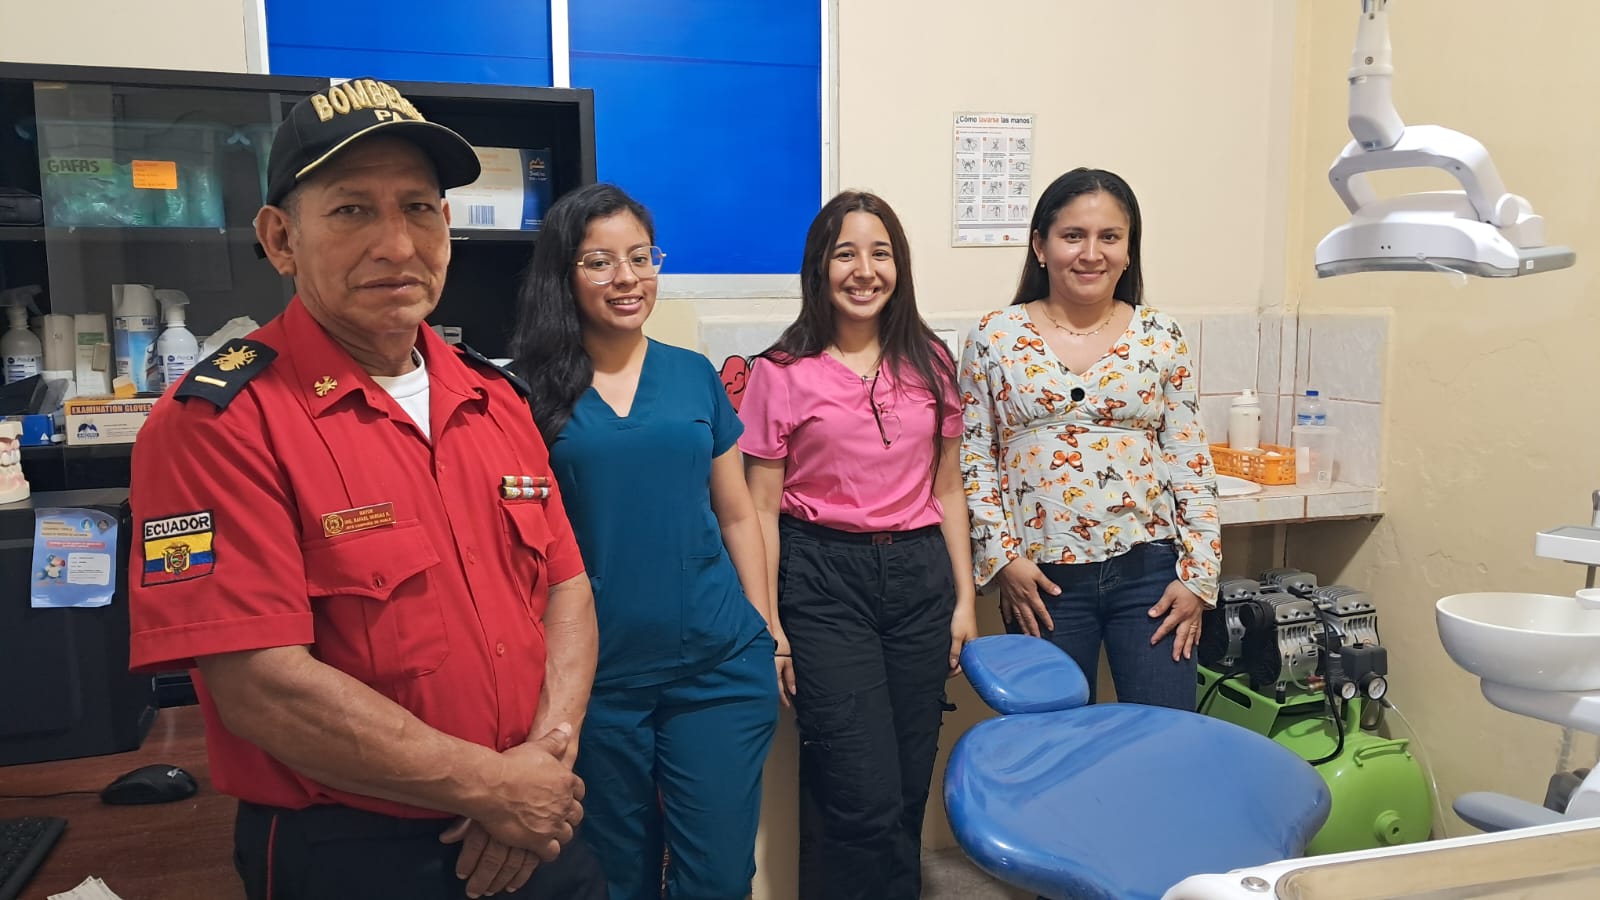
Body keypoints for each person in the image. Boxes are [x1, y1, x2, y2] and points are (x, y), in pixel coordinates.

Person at [126, 80, 606, 900]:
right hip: (357, 850)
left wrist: (543, 760)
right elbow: (261, 686)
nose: (396, 244)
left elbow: (566, 588)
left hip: (536, 815)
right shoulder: (217, 424)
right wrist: (491, 787)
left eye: (418, 208)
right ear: (280, 239)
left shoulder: (494, 398)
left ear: (446, 225)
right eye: (352, 210)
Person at [508, 183, 782, 900]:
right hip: (594, 684)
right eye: (600, 262)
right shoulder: (524, 393)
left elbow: (736, 512)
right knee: (615, 879)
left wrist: (764, 627)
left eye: (640, 257)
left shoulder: (692, 375)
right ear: (564, 274)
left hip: (717, 667)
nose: (627, 278)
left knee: (718, 878)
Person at [740, 190, 977, 900]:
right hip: (823, 581)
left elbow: (949, 488)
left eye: (881, 254)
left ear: (899, 267)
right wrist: (770, 625)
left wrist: (965, 600)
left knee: (904, 790)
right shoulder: (781, 371)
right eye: (846, 254)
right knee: (858, 793)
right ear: (820, 266)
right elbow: (759, 509)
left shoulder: (931, 362)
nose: (864, 271)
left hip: (919, 579)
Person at [959, 167, 1220, 711]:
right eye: (1073, 236)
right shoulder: (994, 336)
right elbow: (975, 457)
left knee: (1163, 736)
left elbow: (1189, 457)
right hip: (1042, 580)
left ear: (1129, 250)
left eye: (1110, 237)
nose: (1091, 254)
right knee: (1055, 742)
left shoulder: (1160, 335)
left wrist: (1199, 576)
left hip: (1151, 574)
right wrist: (1003, 560)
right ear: (1040, 246)